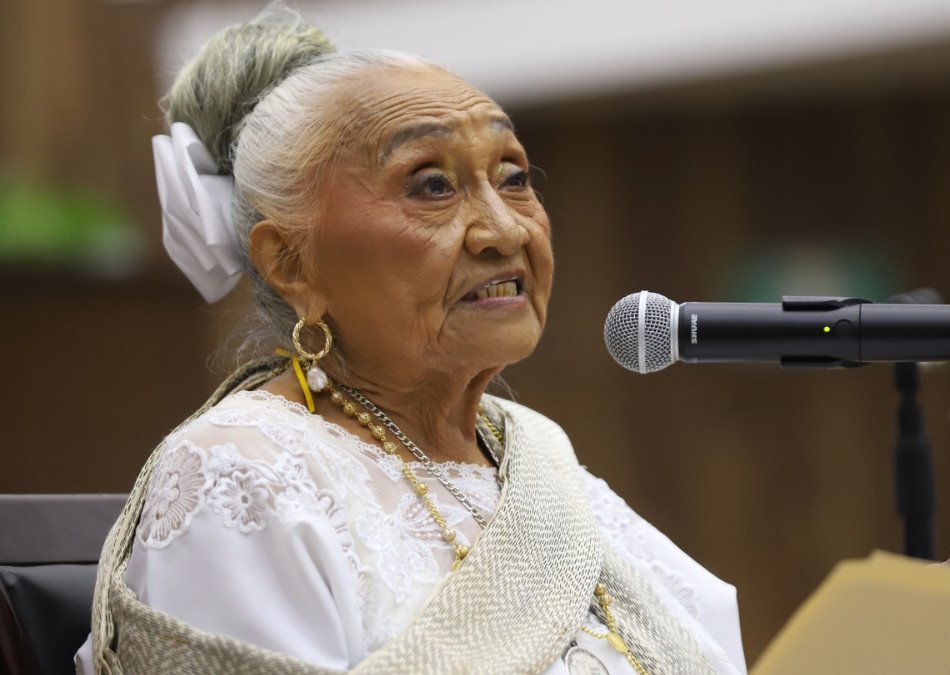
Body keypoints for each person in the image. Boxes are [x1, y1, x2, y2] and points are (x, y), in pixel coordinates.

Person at [77, 5, 745, 674]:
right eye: (432, 185)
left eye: (513, 177)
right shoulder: (241, 473)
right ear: (291, 263)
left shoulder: (537, 459)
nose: (503, 231)